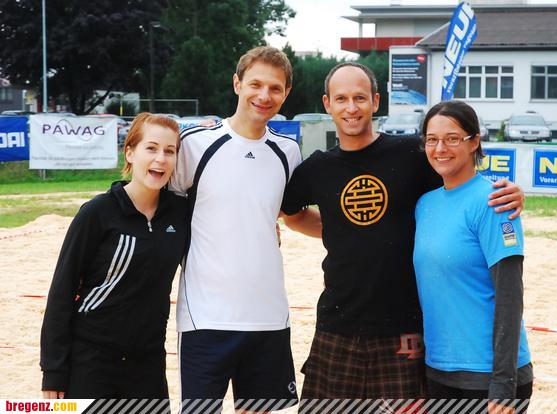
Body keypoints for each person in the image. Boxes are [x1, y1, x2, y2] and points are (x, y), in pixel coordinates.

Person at [280, 62, 524, 410]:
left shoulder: (411, 154)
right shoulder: (318, 167)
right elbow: (291, 214)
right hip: (337, 324)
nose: (351, 107)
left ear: (376, 101)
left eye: (360, 97)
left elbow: (460, 179)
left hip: (403, 329)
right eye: (341, 98)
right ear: (327, 104)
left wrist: (511, 191)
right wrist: (337, 228)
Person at [170, 46, 307, 412]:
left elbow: (292, 215)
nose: (264, 95)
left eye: (275, 88)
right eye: (255, 84)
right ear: (237, 84)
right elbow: (162, 212)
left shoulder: (288, 152)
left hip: (268, 317)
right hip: (205, 317)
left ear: (286, 93)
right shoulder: (194, 145)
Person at [40, 113, 188, 399]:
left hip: (148, 363)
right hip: (92, 361)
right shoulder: (97, 213)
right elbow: (62, 291)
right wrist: (53, 370)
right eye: (151, 148)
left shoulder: (181, 214)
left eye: (170, 151)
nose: (161, 158)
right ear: (130, 153)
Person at [413, 100, 533, 413]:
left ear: (474, 141)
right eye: (432, 139)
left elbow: (510, 295)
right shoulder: (425, 204)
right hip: (438, 370)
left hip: (489, 377)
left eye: (452, 138)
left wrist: (503, 383)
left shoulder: (495, 201)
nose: (440, 148)